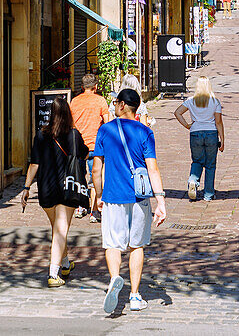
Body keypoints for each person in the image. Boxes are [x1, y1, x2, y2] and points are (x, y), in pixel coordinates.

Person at [93, 88, 167, 314]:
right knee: (136, 246)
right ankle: (135, 295)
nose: (113, 105)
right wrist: (161, 201)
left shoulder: (105, 130)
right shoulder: (145, 132)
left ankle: (115, 278)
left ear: (123, 105)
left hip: (113, 197)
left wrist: (98, 195)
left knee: (113, 244)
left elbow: (97, 169)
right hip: (139, 197)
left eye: (116, 102)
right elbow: (152, 169)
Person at [21, 96, 88, 288]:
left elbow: (34, 164)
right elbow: (84, 153)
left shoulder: (41, 135)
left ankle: (65, 264)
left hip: (46, 188)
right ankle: (53, 273)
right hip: (67, 188)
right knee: (60, 231)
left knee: (58, 229)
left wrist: (26, 188)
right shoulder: (73, 134)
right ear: (68, 113)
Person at [174, 76, 225, 202]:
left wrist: (187, 125)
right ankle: (208, 194)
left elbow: (177, 112)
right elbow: (218, 122)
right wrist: (222, 138)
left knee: (197, 161)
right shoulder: (215, 101)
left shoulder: (191, 101)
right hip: (211, 133)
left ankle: (193, 180)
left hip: (195, 132)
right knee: (210, 164)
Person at [70, 73, 110, 220]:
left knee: (79, 177)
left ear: (82, 87)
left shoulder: (74, 101)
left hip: (78, 146)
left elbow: (70, 124)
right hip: (96, 145)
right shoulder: (100, 101)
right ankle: (94, 211)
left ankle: (80, 208)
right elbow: (107, 123)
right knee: (96, 178)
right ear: (96, 87)